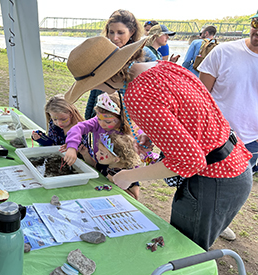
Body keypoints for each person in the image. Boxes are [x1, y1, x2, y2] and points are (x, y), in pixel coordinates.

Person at [63, 36, 252, 251]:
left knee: (185, 251)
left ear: (108, 75)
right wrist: (154, 135)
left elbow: (191, 160)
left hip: (214, 178)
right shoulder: (164, 66)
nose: (96, 89)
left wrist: (128, 176)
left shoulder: (137, 95)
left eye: (92, 84)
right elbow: (189, 113)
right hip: (236, 165)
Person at [198, 11, 258, 240]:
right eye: (256, 23)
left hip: (251, 141)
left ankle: (221, 223)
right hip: (215, 139)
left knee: (234, 192)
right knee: (204, 188)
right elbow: (200, 99)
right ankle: (198, 228)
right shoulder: (224, 52)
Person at [84, 9, 157, 120]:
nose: (114, 38)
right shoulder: (103, 54)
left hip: (134, 120)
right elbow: (95, 90)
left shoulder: (146, 54)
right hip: (104, 119)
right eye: (111, 32)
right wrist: (88, 116)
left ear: (132, 32)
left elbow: (156, 93)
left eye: (120, 32)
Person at [79, 132, 141, 199]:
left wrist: (115, 183)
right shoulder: (106, 165)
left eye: (101, 153)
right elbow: (94, 166)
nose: (97, 153)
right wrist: (85, 154)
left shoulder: (129, 175)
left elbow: (134, 198)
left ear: (116, 159)